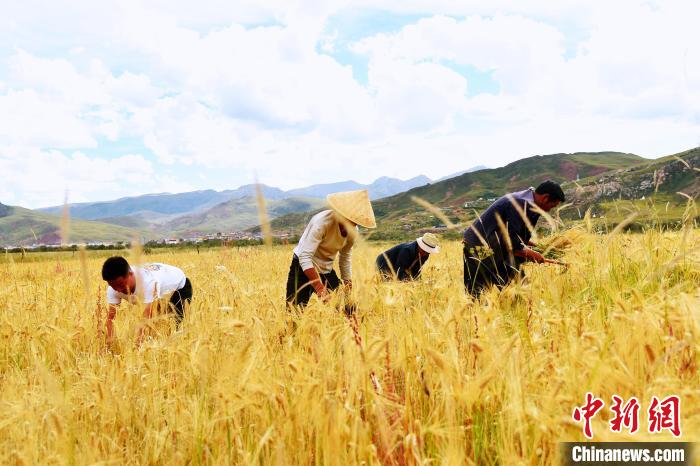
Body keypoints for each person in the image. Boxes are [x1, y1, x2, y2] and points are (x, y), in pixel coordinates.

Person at [462, 180, 565, 295]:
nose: (549, 210)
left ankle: (518, 305)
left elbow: (517, 237)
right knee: (479, 287)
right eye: (552, 206)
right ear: (545, 198)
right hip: (478, 246)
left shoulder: (531, 204)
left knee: (517, 283)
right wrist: (533, 254)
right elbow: (511, 243)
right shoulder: (520, 204)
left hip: (493, 244)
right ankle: (475, 309)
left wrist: (539, 247)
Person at [285, 189, 376, 308]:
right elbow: (305, 257)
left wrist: (347, 282)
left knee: (347, 307)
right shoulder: (322, 223)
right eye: (351, 220)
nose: (353, 224)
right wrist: (319, 287)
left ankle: (354, 326)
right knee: (294, 313)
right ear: (343, 213)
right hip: (302, 268)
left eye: (356, 222)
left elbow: (345, 257)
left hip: (325, 269)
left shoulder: (353, 230)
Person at [101, 256, 192, 347]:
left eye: (121, 285)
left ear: (131, 274)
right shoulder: (113, 289)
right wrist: (108, 345)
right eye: (113, 286)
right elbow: (111, 319)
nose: (118, 290)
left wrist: (136, 349)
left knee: (175, 328)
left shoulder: (149, 283)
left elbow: (146, 319)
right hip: (159, 289)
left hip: (179, 287)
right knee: (157, 327)